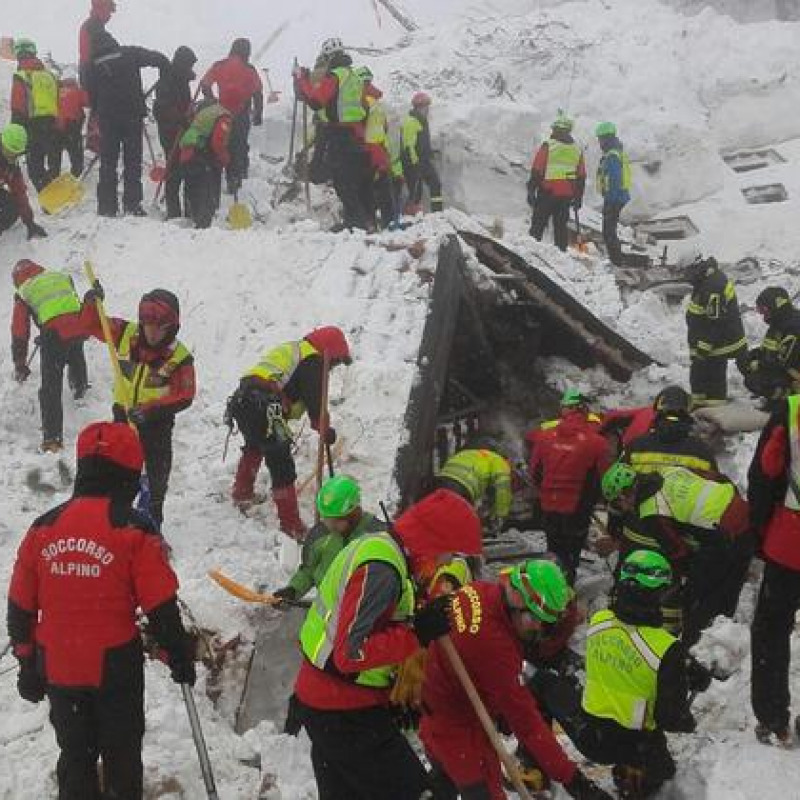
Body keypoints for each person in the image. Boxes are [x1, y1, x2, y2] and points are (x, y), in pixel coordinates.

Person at [7, 421, 196, 800]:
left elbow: (20, 606)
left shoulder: (43, 527)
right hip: (114, 667)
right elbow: (160, 604)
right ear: (129, 471)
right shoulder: (133, 528)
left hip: (59, 665)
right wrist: (178, 652)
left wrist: (28, 662)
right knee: (121, 754)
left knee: (75, 756)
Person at [293, 489, 483, 800]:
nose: (443, 564)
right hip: (342, 713)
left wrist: (390, 693)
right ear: (430, 542)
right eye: (446, 554)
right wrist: (417, 633)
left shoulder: (380, 550)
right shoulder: (381, 570)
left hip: (331, 703)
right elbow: (350, 653)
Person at [421, 559, 612, 800]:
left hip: (440, 710)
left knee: (443, 782)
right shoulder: (494, 647)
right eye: (535, 619)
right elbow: (527, 724)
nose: (537, 628)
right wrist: (574, 780)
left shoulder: (479, 590)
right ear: (518, 602)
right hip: (461, 729)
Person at [533, 550, 697, 799]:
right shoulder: (667, 649)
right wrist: (686, 717)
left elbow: (632, 644)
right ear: (662, 593)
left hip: (588, 733)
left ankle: (533, 765)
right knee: (659, 768)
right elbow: (670, 718)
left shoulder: (600, 620)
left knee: (543, 682)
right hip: (635, 746)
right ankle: (636, 776)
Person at [601, 462, 752, 645]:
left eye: (618, 503)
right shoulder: (670, 470)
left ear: (624, 496)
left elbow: (677, 552)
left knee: (698, 598)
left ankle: (696, 647)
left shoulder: (651, 510)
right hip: (744, 515)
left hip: (725, 536)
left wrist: (681, 582)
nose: (623, 509)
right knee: (728, 588)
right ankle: (723, 638)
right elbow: (720, 478)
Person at [83, 288, 195, 527]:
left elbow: (185, 394)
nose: (152, 332)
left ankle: (153, 520)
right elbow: (91, 325)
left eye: (159, 327)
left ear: (171, 327)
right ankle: (116, 517)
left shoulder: (179, 356)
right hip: (123, 416)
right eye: (147, 325)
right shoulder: (125, 332)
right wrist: (91, 304)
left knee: (156, 474)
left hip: (156, 424)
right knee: (116, 468)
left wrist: (151, 409)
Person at [227, 326, 351, 538]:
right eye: (336, 362)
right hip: (266, 406)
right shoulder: (313, 362)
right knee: (281, 463)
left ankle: (242, 492)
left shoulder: (296, 350)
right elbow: (316, 405)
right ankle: (291, 524)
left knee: (254, 447)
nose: (332, 368)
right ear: (329, 352)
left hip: (244, 401)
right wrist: (325, 429)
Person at [747, 394, 800, 745]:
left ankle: (772, 718)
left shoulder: (791, 409)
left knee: (771, 628)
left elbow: (766, 471)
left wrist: (759, 531)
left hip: (791, 542)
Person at [526, 389, 611, 580]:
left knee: (554, 550)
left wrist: (546, 491)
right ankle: (566, 591)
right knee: (571, 554)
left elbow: (534, 472)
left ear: (569, 409)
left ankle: (548, 587)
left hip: (549, 504)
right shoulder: (597, 442)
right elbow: (604, 478)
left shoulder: (545, 436)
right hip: (578, 508)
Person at [10, 259, 91, 452]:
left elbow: (19, 331)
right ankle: (80, 388)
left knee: (50, 388)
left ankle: (52, 439)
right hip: (79, 323)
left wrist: (20, 363)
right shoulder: (59, 276)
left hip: (55, 336)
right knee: (75, 352)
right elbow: (65, 304)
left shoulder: (24, 291)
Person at [269, 474, 386, 604]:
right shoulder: (320, 536)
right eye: (326, 519)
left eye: (336, 521)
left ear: (354, 514)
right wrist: (293, 590)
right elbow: (309, 570)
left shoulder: (378, 538)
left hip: (363, 609)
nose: (330, 526)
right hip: (327, 610)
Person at [294, 41, 373, 231]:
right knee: (353, 181)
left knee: (342, 181)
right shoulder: (353, 75)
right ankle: (362, 222)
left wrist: (302, 79)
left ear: (329, 57)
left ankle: (356, 223)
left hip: (340, 134)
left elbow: (315, 101)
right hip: (356, 135)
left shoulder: (335, 76)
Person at [91, 32, 169, 216]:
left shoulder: (93, 64)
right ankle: (132, 205)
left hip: (108, 119)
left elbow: (90, 92)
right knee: (132, 162)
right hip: (131, 117)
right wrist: (165, 72)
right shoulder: (130, 53)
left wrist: (99, 110)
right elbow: (159, 59)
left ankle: (106, 207)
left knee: (108, 162)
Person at [677, 250, 747, 407]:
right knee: (704, 377)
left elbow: (715, 322)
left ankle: (712, 412)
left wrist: (702, 349)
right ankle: (704, 409)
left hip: (717, 344)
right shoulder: (706, 280)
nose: (685, 277)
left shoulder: (713, 286)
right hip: (710, 342)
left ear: (695, 267)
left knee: (710, 378)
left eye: (686, 272)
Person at [200, 38, 263, 194]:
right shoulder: (249, 69)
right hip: (241, 114)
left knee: (220, 143)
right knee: (239, 146)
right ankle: (235, 178)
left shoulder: (219, 65)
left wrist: (212, 101)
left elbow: (205, 84)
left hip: (221, 114)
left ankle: (216, 177)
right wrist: (258, 114)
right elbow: (258, 93)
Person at [622, 385, 718, 475]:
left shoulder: (636, 446)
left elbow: (614, 484)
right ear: (687, 411)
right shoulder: (702, 452)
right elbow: (717, 487)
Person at [528, 112, 586, 252]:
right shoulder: (577, 150)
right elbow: (581, 176)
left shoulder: (549, 145)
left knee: (538, 225)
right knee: (561, 228)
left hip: (548, 192)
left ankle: (531, 251)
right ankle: (561, 253)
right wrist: (578, 198)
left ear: (555, 129)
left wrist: (531, 189)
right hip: (566, 195)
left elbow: (537, 168)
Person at [153, 45, 197, 217]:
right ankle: (173, 212)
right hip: (170, 132)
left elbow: (186, 103)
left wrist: (189, 116)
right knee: (173, 171)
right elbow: (161, 107)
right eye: (189, 65)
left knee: (188, 169)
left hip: (183, 130)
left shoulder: (182, 80)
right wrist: (179, 118)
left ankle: (189, 210)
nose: (191, 69)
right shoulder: (166, 81)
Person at [10, 38, 59, 191]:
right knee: (52, 163)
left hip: (32, 125)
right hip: (52, 124)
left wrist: (15, 130)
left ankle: (49, 197)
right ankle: (58, 191)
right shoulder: (50, 76)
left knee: (35, 167)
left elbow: (18, 106)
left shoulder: (21, 75)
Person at [432, 443, 512, 536]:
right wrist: (501, 515)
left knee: (442, 518)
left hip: (441, 482)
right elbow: (503, 491)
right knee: (459, 524)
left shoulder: (470, 454)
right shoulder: (498, 460)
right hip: (463, 486)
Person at [176, 101, 232, 227]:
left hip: (187, 153)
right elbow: (218, 142)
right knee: (205, 191)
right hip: (198, 154)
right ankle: (203, 224)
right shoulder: (224, 117)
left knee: (192, 188)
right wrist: (225, 158)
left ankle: (190, 219)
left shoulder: (209, 112)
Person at [741, 287, 800, 403]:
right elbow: (770, 349)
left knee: (755, 380)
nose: (764, 315)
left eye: (765, 310)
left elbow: (784, 362)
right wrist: (754, 355)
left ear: (776, 307)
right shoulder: (779, 323)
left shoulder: (794, 327)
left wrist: (758, 364)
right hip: (786, 370)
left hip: (795, 374)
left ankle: (785, 399)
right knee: (747, 367)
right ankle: (780, 395)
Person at [0, 123, 47, 240]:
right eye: (11, 152)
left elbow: (19, 192)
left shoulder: (11, 164)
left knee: (12, 207)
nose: (14, 157)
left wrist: (29, 222)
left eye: (17, 154)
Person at [594, 121, 630, 266]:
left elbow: (615, 178)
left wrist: (611, 199)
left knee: (608, 232)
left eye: (600, 139)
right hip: (616, 196)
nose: (599, 142)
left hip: (615, 197)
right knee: (610, 230)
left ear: (606, 138)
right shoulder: (614, 152)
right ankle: (617, 260)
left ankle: (617, 262)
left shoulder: (613, 155)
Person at [401, 92, 442, 214]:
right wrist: (415, 163)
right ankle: (410, 217)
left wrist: (430, 153)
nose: (427, 110)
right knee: (415, 193)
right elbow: (409, 145)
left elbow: (422, 143)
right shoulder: (411, 122)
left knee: (435, 184)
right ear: (418, 107)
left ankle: (438, 214)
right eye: (425, 107)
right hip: (414, 163)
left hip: (424, 162)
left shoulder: (422, 121)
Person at [55, 71, 89, 178]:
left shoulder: (57, 91)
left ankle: (53, 179)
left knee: (55, 158)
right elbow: (88, 102)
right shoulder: (78, 91)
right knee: (76, 157)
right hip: (72, 127)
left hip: (56, 128)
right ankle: (74, 179)